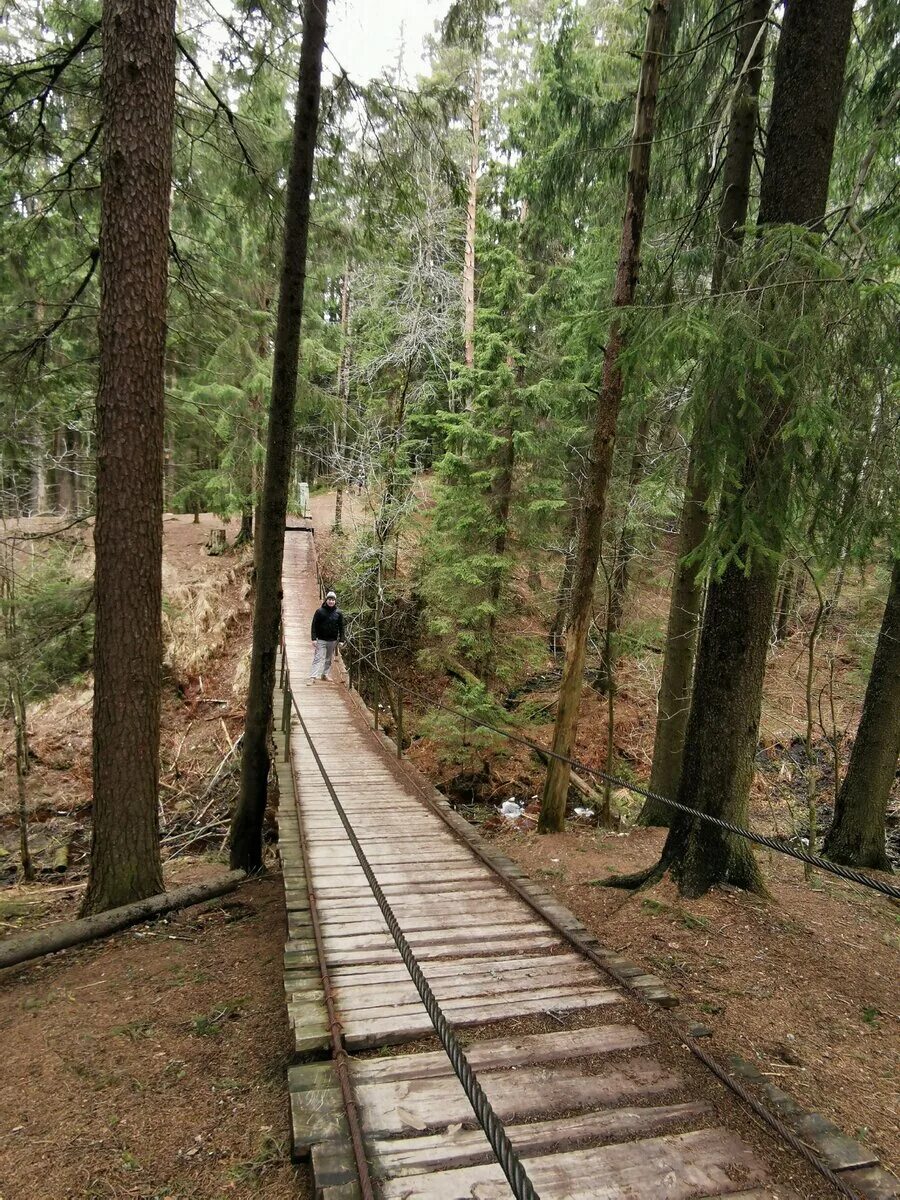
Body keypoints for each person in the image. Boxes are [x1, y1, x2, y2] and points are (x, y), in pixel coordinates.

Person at [308, 590, 345, 683]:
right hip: (321, 639)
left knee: (328, 658)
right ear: (326, 600)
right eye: (329, 599)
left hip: (332, 640)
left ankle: (325, 674)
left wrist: (341, 640)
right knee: (318, 657)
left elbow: (341, 627)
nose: (331, 601)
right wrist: (313, 638)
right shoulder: (320, 611)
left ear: (335, 601)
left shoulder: (338, 613)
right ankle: (313, 676)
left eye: (333, 600)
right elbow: (314, 625)